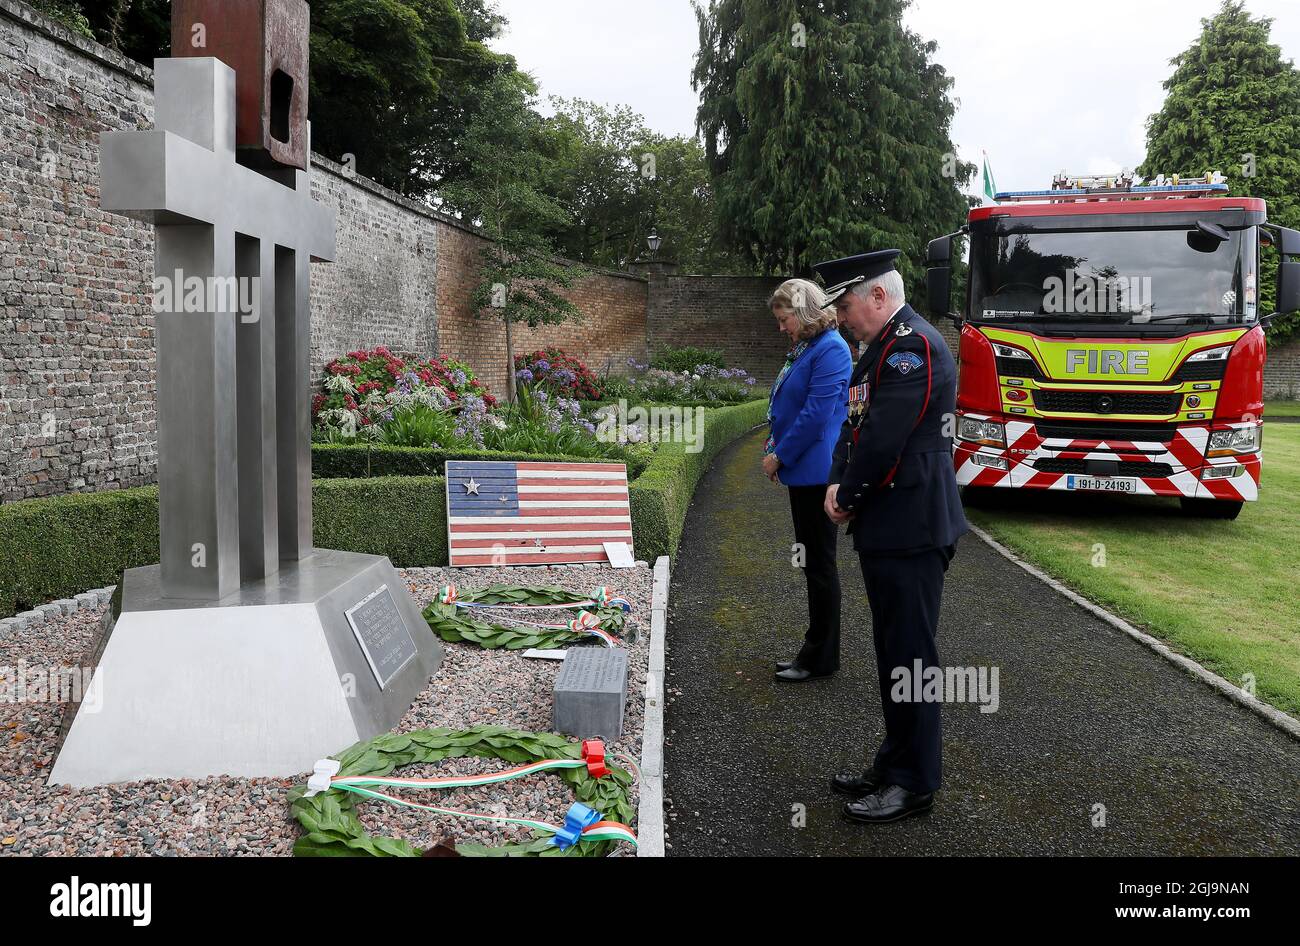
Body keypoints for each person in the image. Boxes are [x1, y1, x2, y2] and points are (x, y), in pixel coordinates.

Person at [814, 250, 968, 824]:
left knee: (911, 658)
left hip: (912, 525)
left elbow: (883, 440)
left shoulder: (913, 347)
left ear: (878, 296)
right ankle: (895, 758)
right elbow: (852, 426)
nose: (843, 317)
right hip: (889, 524)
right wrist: (837, 480)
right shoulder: (880, 348)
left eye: (847, 305)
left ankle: (915, 783)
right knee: (892, 653)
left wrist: (847, 496)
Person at [764, 279, 854, 682]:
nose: (781, 328)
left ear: (803, 312)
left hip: (817, 473)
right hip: (805, 471)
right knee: (813, 563)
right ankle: (817, 650)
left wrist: (780, 455)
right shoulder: (810, 347)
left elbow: (816, 414)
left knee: (819, 565)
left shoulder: (831, 348)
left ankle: (819, 656)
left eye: (785, 320)